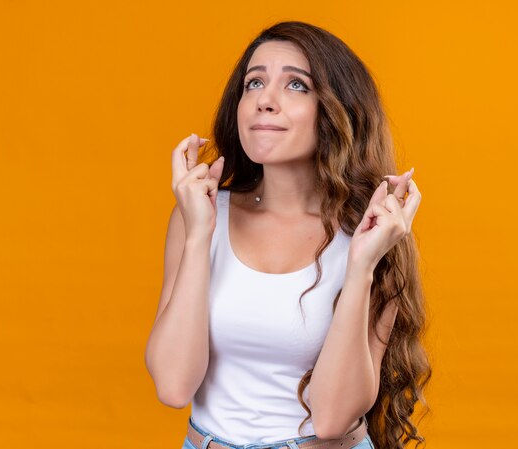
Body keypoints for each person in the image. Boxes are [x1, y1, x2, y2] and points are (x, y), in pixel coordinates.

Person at [145, 21, 431, 449]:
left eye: (296, 85)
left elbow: (333, 418)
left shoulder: (372, 234)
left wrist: (360, 268)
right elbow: (172, 385)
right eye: (254, 83)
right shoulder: (199, 217)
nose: (265, 100)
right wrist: (198, 235)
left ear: (337, 109)